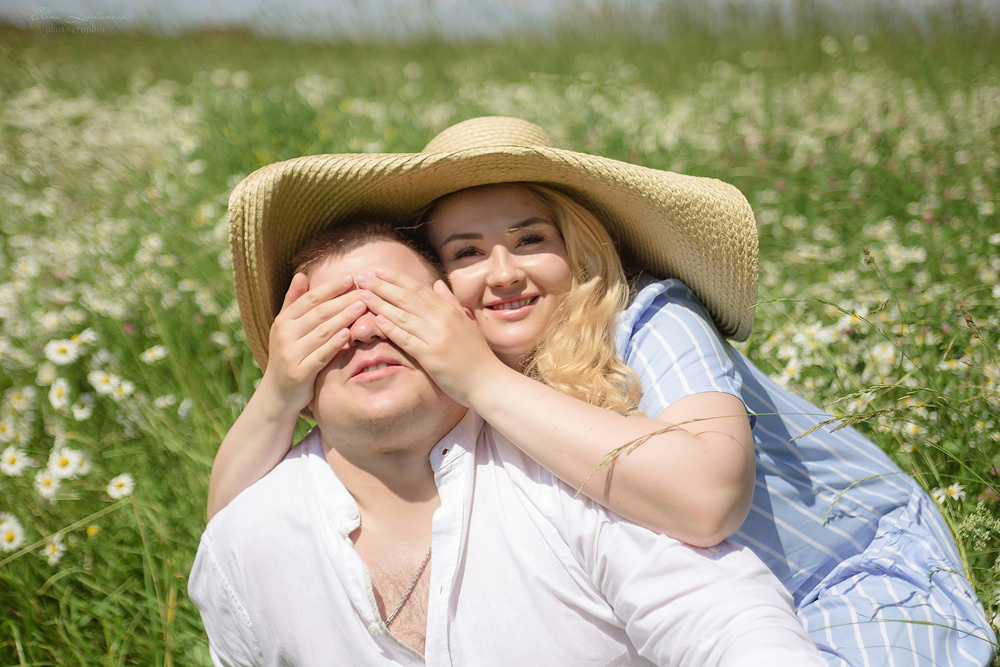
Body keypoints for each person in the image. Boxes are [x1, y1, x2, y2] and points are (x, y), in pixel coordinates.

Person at [211, 116, 996, 664]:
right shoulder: (470, 364)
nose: (503, 272)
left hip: (837, 579)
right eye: (467, 253)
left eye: (531, 239)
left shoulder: (650, 318)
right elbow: (235, 536)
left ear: (580, 246)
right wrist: (281, 390)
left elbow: (707, 498)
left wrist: (476, 376)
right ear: (443, 286)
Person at [188, 220, 825, 665]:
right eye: (325, 320)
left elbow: (732, 628)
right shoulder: (247, 541)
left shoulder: (584, 472)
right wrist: (275, 394)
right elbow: (225, 538)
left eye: (396, 306)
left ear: (464, 327)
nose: (364, 331)